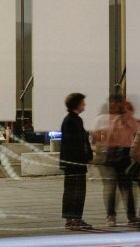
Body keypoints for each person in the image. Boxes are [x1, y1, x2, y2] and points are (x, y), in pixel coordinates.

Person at [103, 99, 140, 226]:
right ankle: (111, 215)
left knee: (127, 188)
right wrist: (108, 155)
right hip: (117, 154)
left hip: (126, 154)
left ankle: (131, 216)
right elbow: (110, 139)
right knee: (114, 188)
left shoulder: (132, 121)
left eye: (127, 108)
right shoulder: (116, 121)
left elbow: (136, 132)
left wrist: (126, 117)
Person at [60, 92, 93, 231]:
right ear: (77, 104)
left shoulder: (75, 120)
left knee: (77, 191)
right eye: (82, 102)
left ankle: (75, 218)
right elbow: (74, 143)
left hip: (76, 163)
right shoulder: (71, 121)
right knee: (73, 191)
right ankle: (72, 220)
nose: (84, 104)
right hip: (74, 163)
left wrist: (88, 155)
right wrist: (84, 157)